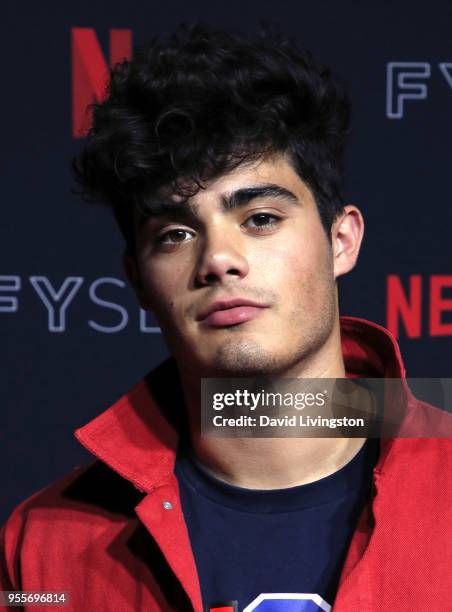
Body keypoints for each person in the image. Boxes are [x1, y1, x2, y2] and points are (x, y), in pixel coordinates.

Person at [1, 24, 451, 612]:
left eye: (260, 218)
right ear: (138, 280)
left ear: (340, 240)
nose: (217, 259)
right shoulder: (43, 548)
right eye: (176, 234)